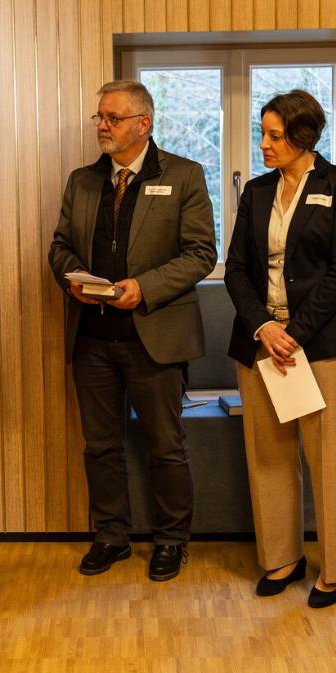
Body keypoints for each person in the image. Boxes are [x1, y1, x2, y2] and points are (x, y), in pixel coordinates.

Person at [48, 80, 216, 581]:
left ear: (143, 124)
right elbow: (59, 246)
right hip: (93, 337)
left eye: (113, 118)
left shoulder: (184, 176)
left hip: (154, 336)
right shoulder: (82, 180)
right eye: (99, 117)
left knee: (165, 445)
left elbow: (201, 254)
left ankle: (170, 541)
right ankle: (111, 536)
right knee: (100, 446)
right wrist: (72, 278)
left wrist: (144, 286)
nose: (102, 125)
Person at [224, 90, 336, 609]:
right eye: (262, 133)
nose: (263, 145)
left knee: (330, 460)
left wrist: (295, 333)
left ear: (304, 137)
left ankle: (334, 570)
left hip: (326, 346)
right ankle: (282, 558)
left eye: (275, 136)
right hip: (261, 342)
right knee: (269, 455)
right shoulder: (257, 192)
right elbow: (236, 268)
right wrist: (264, 326)